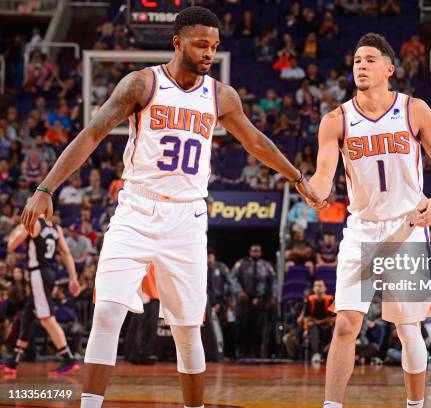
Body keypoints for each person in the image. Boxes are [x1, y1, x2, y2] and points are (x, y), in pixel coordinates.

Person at [19, 7, 323, 408]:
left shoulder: (220, 95)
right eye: (201, 44)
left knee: (185, 328)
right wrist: (46, 187)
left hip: (188, 217)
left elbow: (255, 142)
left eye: (214, 46)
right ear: (177, 42)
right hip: (136, 210)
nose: (208, 53)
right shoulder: (141, 84)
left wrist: (296, 176)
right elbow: (93, 133)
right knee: (107, 313)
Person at [309, 33, 431, 408]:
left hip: (407, 228)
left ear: (389, 69)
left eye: (370, 59)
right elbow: (324, 173)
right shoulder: (336, 119)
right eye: (357, 59)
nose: (361, 65)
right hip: (361, 229)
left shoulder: (414, 109)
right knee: (345, 324)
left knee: (408, 330)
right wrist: (317, 188)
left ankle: (416, 404)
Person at [1, 216, 80, 375]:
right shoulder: (55, 227)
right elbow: (66, 253)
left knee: (46, 319)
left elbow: (11, 245)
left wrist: (21, 225)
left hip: (38, 274)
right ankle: (14, 360)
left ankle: (68, 359)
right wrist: (74, 278)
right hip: (50, 273)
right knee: (28, 315)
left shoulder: (32, 223)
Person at [304, 280, 335, 364]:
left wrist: (318, 321)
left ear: (325, 288)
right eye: (316, 286)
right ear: (313, 289)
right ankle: (316, 354)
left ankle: (333, 354)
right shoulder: (310, 300)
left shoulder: (330, 299)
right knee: (312, 327)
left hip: (327, 326)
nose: (318, 288)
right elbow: (307, 319)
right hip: (315, 326)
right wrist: (321, 321)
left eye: (320, 286)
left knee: (336, 326)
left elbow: (334, 318)